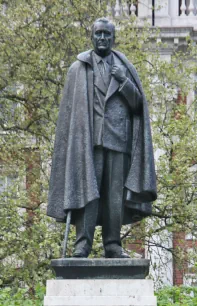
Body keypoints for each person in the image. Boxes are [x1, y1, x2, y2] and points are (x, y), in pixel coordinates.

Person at [47, 18, 157, 258]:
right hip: (88, 141)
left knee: (114, 195)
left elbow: (138, 106)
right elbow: (69, 115)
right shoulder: (79, 68)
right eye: (99, 34)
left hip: (118, 141)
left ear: (113, 37)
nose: (103, 39)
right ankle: (82, 244)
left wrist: (124, 82)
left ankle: (113, 244)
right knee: (87, 191)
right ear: (92, 37)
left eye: (107, 34)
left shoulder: (125, 67)